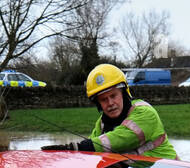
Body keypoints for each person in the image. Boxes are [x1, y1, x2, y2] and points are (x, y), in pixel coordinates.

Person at [44, 64, 177, 159]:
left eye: (113, 96)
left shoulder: (145, 113)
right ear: (98, 104)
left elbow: (120, 138)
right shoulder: (101, 124)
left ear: (124, 93)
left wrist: (77, 147)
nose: (110, 103)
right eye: (103, 100)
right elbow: (94, 155)